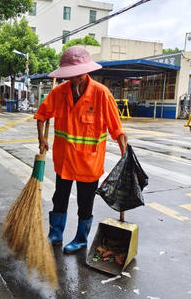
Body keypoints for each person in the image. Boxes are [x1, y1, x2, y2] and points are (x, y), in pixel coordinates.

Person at [34, 45, 127, 254]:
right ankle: (56, 234)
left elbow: (117, 128)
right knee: (60, 199)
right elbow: (41, 116)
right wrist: (42, 138)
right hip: (64, 162)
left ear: (86, 72)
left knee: (85, 203)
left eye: (76, 75)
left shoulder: (102, 94)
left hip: (89, 164)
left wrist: (125, 154)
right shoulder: (59, 92)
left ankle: (81, 238)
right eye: (69, 76)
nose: (72, 80)